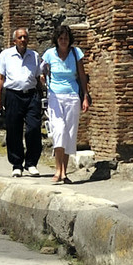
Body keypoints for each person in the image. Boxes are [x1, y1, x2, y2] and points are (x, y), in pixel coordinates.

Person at [40, 20, 88, 186]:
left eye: (66, 38)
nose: (63, 41)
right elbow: (43, 71)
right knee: (58, 131)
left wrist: (86, 96)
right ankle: (57, 169)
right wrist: (42, 77)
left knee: (69, 134)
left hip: (72, 96)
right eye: (60, 38)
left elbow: (82, 76)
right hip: (55, 97)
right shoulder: (49, 54)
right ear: (56, 39)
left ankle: (64, 172)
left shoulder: (76, 53)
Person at [0, 24, 43, 177]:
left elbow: (38, 77)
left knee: (34, 128)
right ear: (14, 40)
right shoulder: (6, 55)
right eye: (20, 37)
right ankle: (17, 164)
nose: (23, 40)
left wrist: (42, 96)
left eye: (25, 37)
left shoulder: (34, 56)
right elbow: (0, 78)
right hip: (13, 95)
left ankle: (31, 163)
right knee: (14, 130)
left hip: (31, 95)